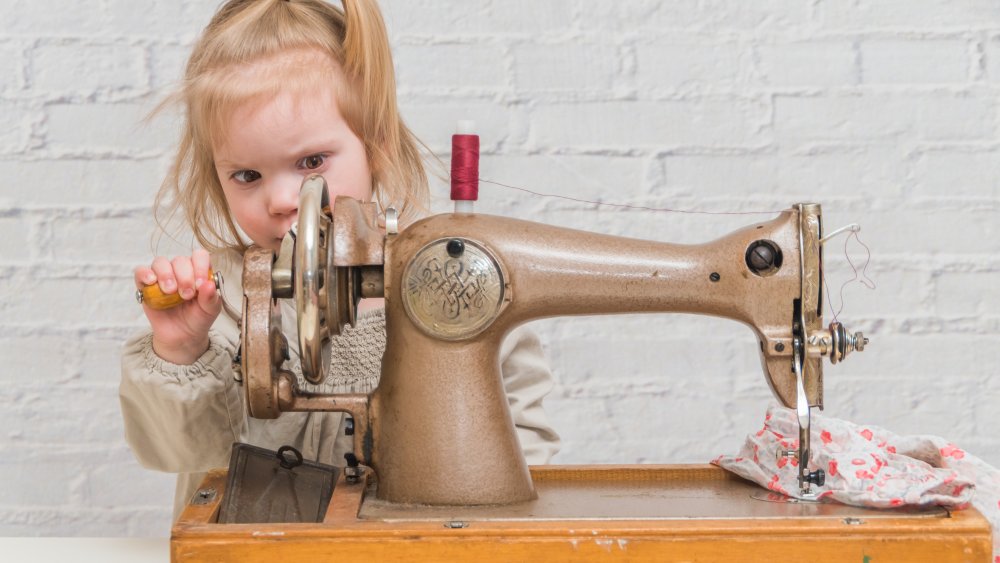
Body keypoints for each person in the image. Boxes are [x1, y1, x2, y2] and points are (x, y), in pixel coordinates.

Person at [119, 0, 560, 519]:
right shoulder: (223, 298)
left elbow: (524, 449)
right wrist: (181, 350)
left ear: (377, 144)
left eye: (310, 162)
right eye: (246, 175)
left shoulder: (456, 286)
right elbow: (182, 453)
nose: (282, 198)